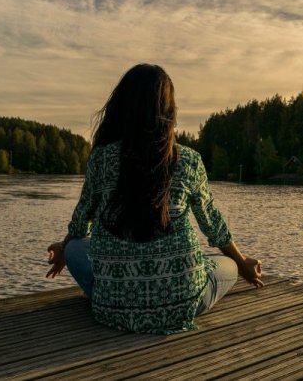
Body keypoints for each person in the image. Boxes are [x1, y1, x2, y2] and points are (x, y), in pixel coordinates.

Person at [46, 64, 263, 335]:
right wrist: (243, 264)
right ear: (169, 111)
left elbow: (81, 221)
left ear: (122, 107)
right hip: (181, 304)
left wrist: (64, 248)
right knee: (227, 265)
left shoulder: (101, 158)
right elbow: (213, 226)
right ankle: (182, 285)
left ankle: (114, 293)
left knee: (77, 248)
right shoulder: (189, 160)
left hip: (112, 309)